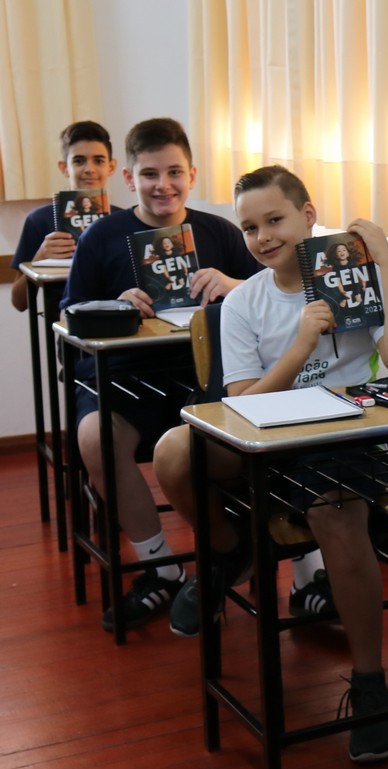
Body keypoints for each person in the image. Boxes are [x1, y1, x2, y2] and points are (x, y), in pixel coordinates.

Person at [153, 164, 388, 763]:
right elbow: (241, 405)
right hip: (263, 437)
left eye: (275, 220)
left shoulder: (350, 280)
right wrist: (301, 345)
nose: (263, 237)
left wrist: (384, 262)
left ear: (308, 215)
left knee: (336, 515)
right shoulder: (245, 301)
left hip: (340, 438)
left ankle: (371, 682)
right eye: (250, 228)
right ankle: (230, 550)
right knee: (173, 450)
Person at [60, 117, 261, 632]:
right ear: (129, 178)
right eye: (149, 174)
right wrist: (115, 304)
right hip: (121, 379)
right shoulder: (102, 236)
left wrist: (234, 283)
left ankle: (247, 551)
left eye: (174, 172)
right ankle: (160, 567)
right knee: (94, 437)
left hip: (204, 380)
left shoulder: (219, 231)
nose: (163, 185)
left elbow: (276, 296)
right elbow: (70, 313)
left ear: (192, 174)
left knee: (258, 423)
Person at [10, 120, 119, 312]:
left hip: (120, 321)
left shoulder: (121, 219)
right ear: (64, 167)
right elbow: (19, 303)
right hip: (64, 324)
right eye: (79, 161)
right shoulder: (40, 220)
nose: (89, 169)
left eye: (99, 160)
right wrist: (38, 260)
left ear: (111, 167)